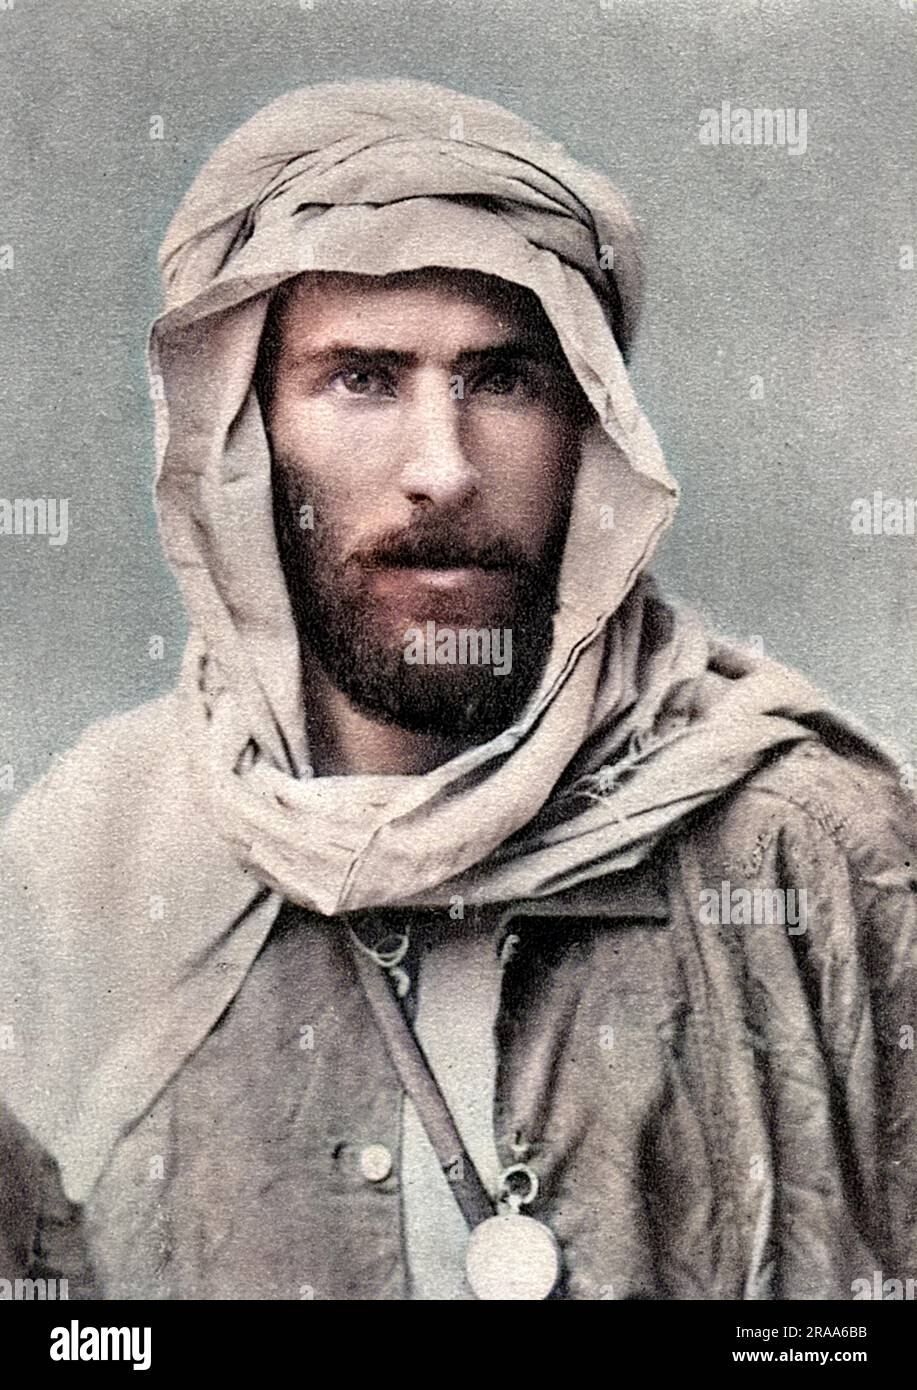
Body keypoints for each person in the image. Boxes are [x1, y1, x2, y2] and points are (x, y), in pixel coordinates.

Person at [1, 79, 914, 1301]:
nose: (441, 469)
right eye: (362, 380)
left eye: (502, 381)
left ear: (587, 427)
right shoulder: (82, 867)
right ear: (244, 439)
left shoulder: (812, 852)